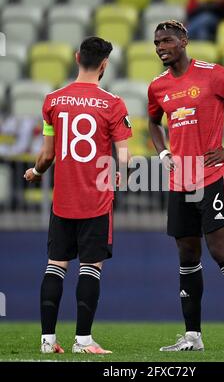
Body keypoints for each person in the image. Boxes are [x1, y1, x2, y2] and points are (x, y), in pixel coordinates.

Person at [148, 20, 224, 352]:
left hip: (211, 177)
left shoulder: (212, 73)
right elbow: (153, 122)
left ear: (183, 41)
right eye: (157, 42)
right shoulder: (157, 86)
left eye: (167, 41)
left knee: (219, 251)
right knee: (187, 254)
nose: (160, 47)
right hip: (179, 180)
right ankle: (192, 337)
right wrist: (163, 152)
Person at [24, 36, 132, 354]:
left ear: (76, 58)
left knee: (55, 265)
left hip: (63, 201)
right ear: (104, 65)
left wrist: (36, 173)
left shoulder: (52, 101)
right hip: (95, 201)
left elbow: (47, 155)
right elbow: (124, 159)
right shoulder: (113, 104)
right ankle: (83, 341)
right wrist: (120, 176)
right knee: (90, 268)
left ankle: (47, 341)